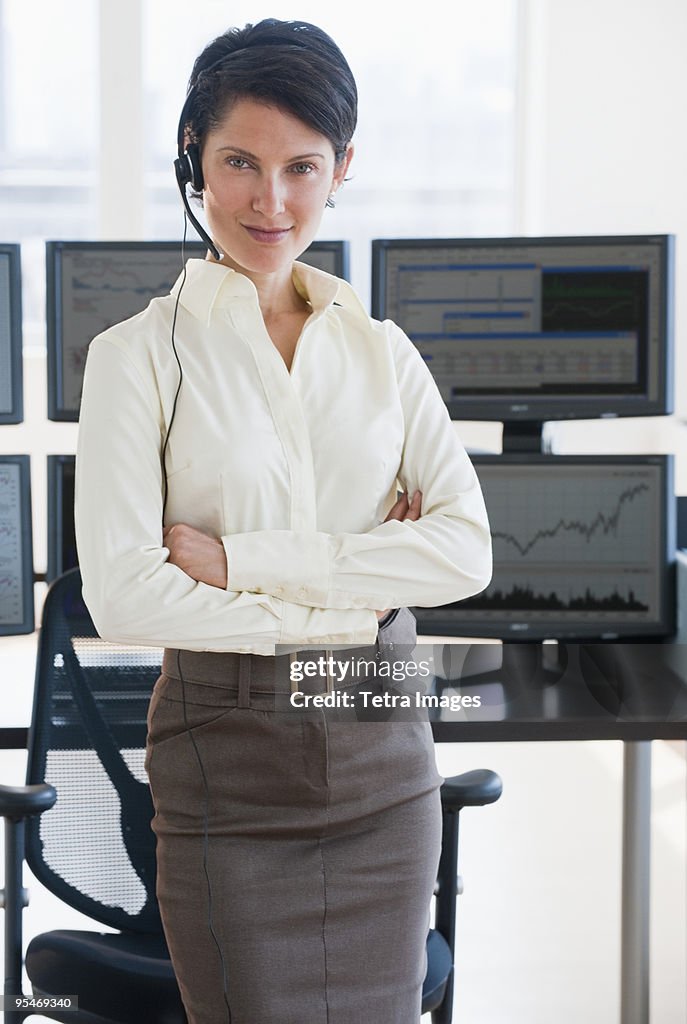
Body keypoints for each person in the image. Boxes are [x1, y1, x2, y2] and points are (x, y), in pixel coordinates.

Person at [74, 17, 492, 1024]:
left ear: (343, 166)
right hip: (232, 765)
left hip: (387, 758)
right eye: (239, 163)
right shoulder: (136, 358)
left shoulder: (382, 351)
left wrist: (244, 564)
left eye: (302, 166)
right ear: (193, 161)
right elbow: (127, 596)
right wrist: (360, 583)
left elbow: (465, 551)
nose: (271, 199)